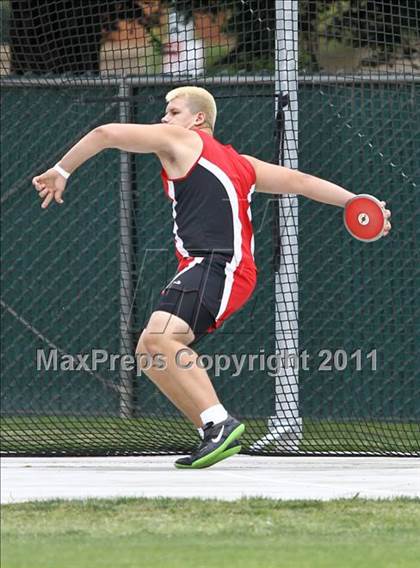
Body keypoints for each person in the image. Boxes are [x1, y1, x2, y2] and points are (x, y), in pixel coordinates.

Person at [32, 86, 391, 469]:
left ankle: (220, 422)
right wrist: (356, 201)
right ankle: (211, 428)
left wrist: (61, 170)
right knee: (149, 353)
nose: (164, 120)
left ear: (197, 119)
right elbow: (301, 182)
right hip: (216, 268)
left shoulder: (181, 139)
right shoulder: (242, 163)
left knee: (160, 340)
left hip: (218, 265)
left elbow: (105, 134)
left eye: (172, 112)